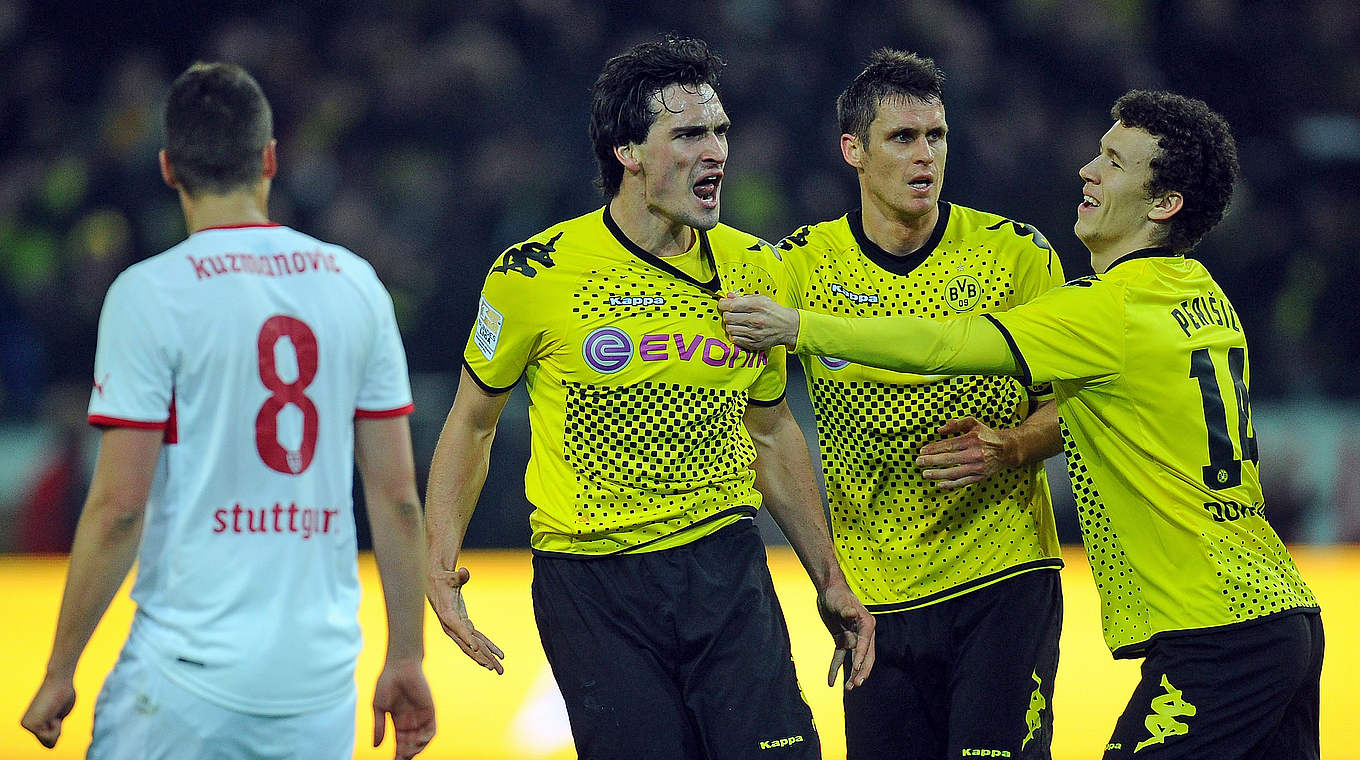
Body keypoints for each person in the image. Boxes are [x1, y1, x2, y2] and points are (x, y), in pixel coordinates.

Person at [719, 89, 1323, 760]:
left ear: (1164, 204)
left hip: (1218, 629)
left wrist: (797, 326)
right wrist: (1009, 442)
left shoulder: (1104, 310)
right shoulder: (1201, 294)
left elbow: (944, 346)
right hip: (1281, 609)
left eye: (1114, 163)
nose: (1088, 171)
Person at [423, 35, 875, 760]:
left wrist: (830, 577)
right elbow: (472, 427)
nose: (717, 150)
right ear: (628, 151)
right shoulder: (533, 274)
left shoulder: (757, 266)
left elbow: (771, 431)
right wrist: (439, 566)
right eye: (690, 133)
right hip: (591, 585)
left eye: (721, 131)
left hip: (724, 567)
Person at [20, 62, 436, 760]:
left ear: (168, 168)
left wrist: (62, 669)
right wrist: (407, 656)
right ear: (270, 159)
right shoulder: (355, 284)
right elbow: (397, 499)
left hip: (187, 679)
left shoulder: (150, 293)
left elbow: (119, 506)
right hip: (319, 682)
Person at [767, 49, 1066, 760]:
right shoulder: (798, 267)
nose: (924, 154)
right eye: (902, 138)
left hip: (1004, 573)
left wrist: (1015, 446)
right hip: (877, 598)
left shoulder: (1016, 254)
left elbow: (1079, 405)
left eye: (936, 136)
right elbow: (763, 421)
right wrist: (828, 577)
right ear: (854, 151)